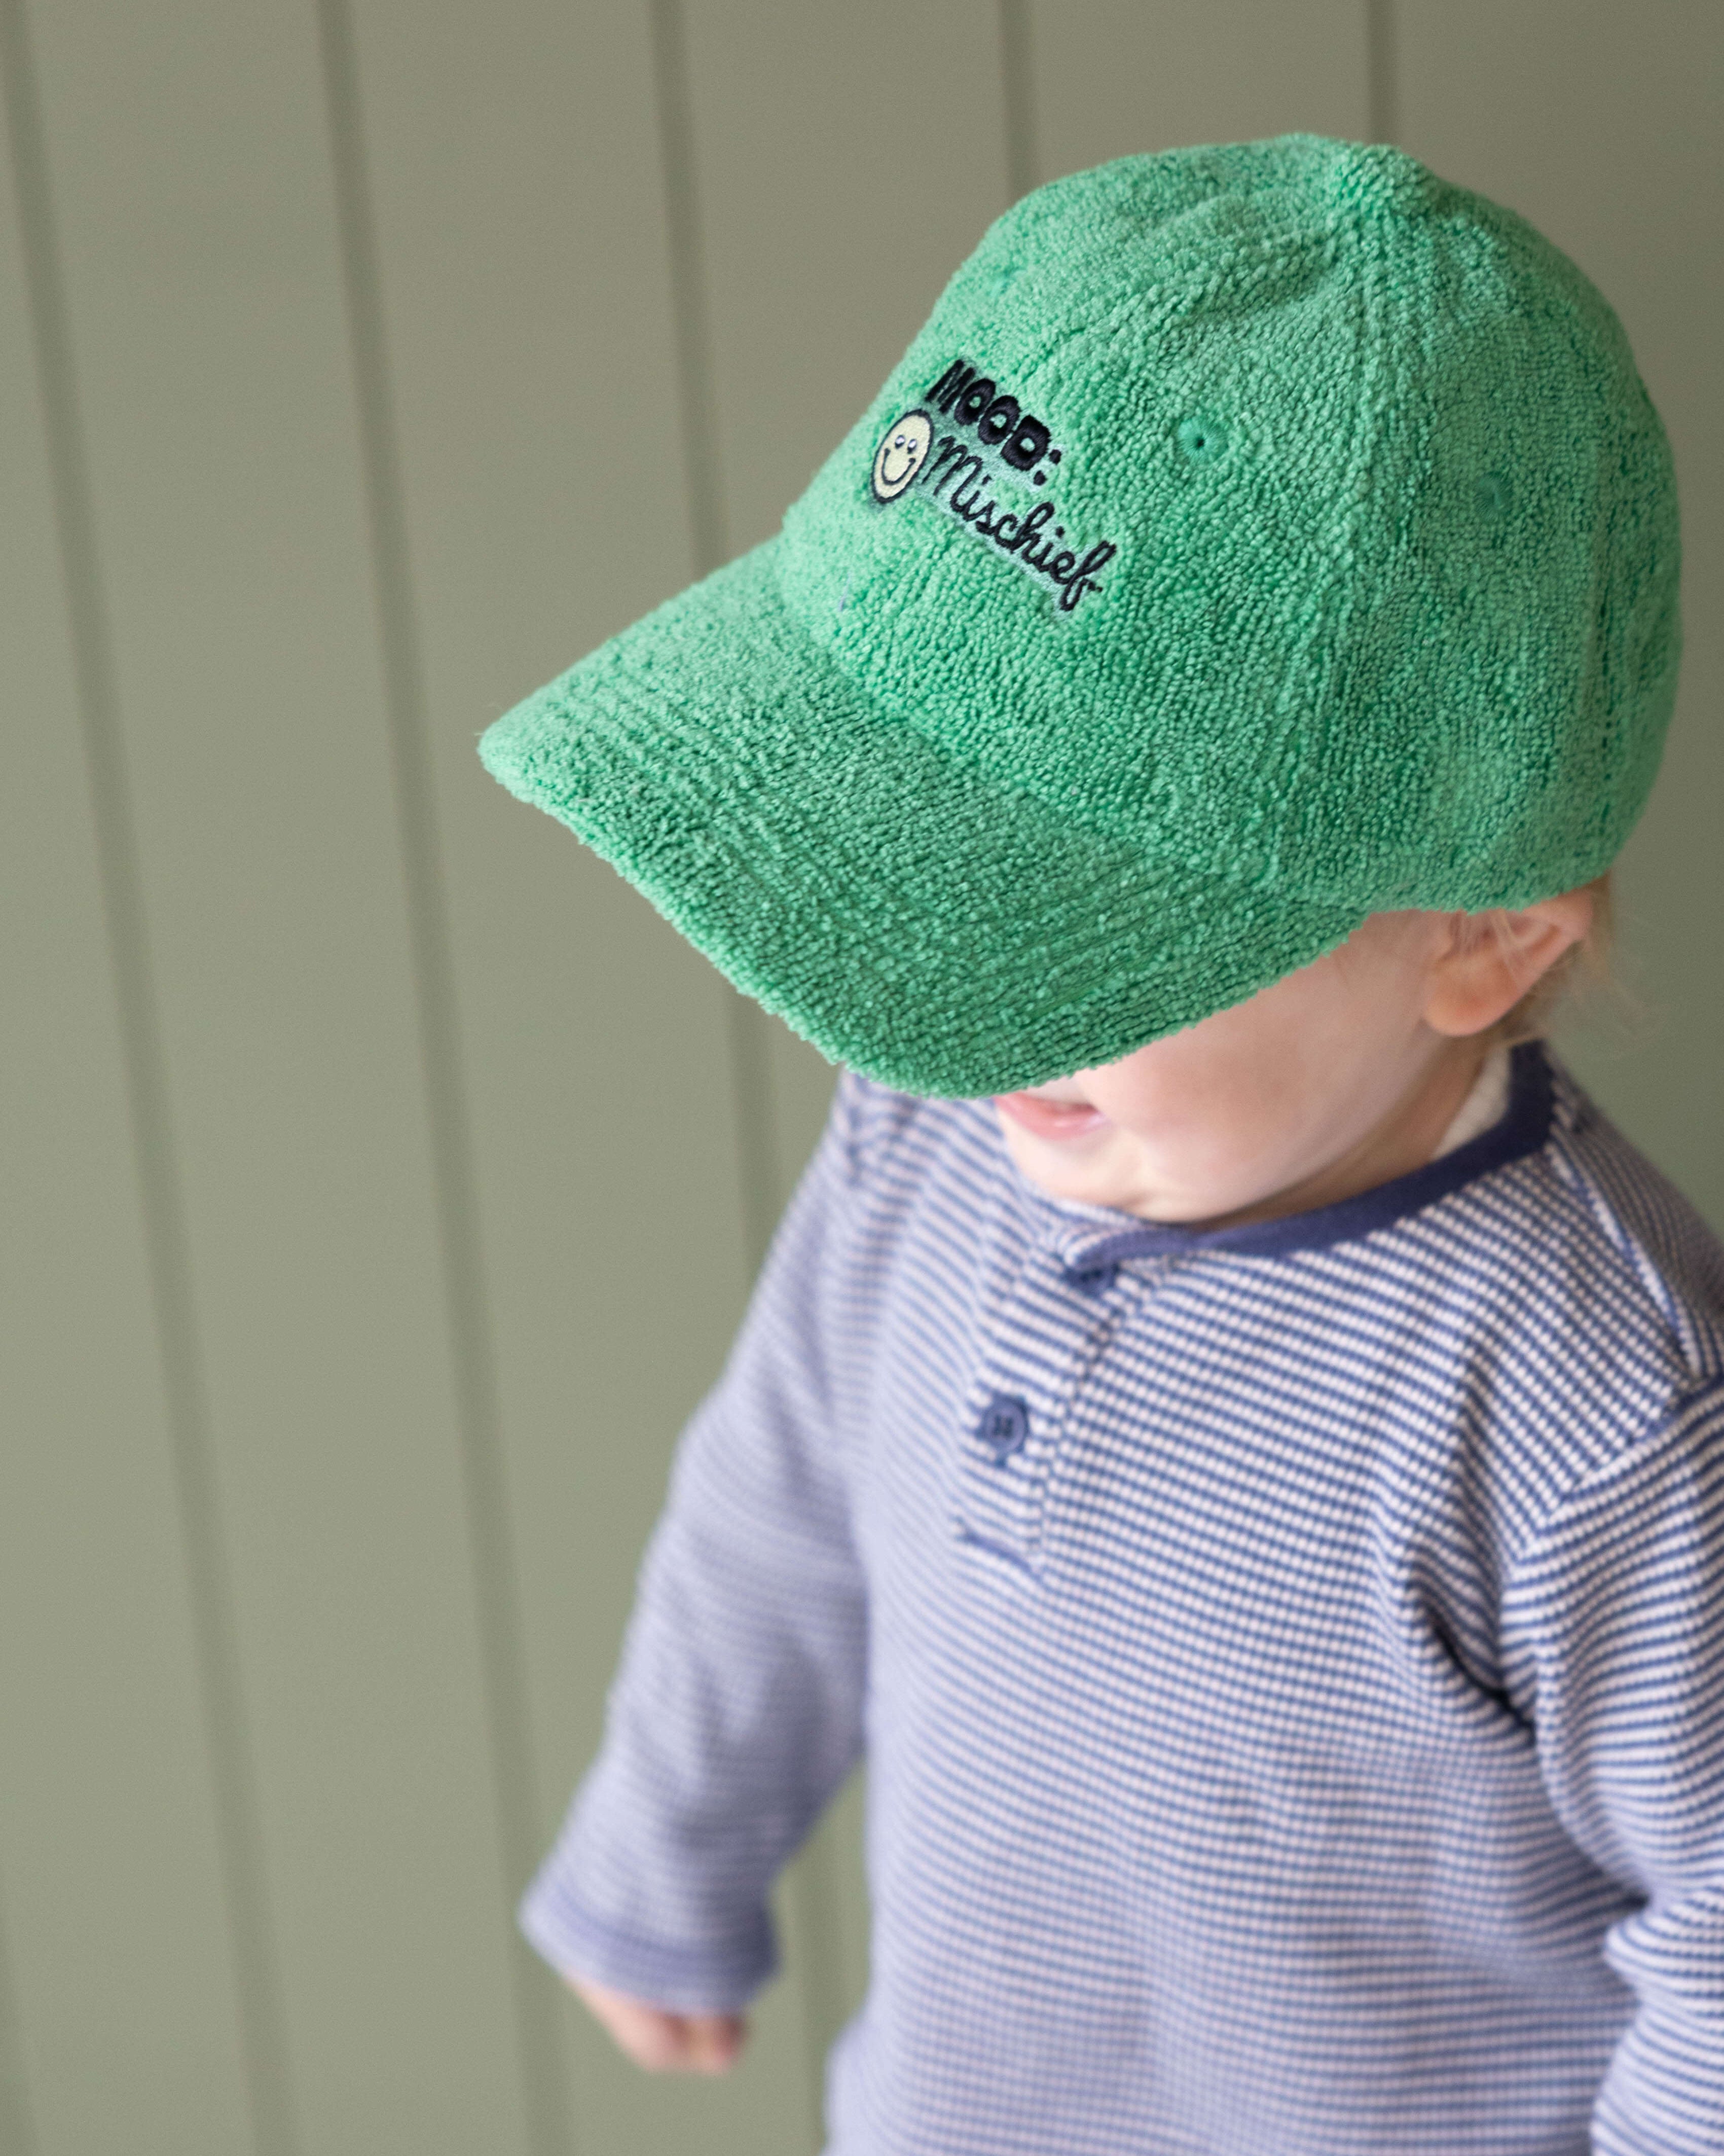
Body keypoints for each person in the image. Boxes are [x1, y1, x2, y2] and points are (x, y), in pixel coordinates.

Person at [479, 136, 1718, 2154]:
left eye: (1063, 927)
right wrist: (663, 1844)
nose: (954, 1011)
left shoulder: (1592, 1407)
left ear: (1481, 935)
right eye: (908, 886)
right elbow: (777, 1502)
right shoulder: (926, 1123)